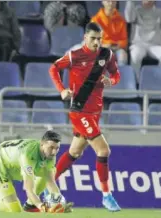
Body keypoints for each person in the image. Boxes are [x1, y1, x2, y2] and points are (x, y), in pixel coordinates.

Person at [48, 22, 121, 212]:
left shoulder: (107, 55)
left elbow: (116, 74)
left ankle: (47, 186)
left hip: (95, 112)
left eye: (99, 38)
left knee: (75, 152)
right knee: (103, 151)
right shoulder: (75, 56)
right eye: (93, 38)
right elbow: (53, 68)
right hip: (79, 111)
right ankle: (106, 196)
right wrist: (62, 90)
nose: (97, 42)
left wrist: (110, 81)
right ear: (85, 38)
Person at [0, 131, 73, 213]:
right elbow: (28, 189)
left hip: (13, 165)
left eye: (57, 148)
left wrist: (60, 202)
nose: (54, 151)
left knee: (48, 173)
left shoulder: (49, 155)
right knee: (14, 210)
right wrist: (41, 205)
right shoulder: (28, 155)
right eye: (51, 147)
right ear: (42, 143)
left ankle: (30, 205)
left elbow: (50, 182)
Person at [125, 0, 161, 80]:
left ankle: (158, 82)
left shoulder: (159, 12)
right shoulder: (136, 10)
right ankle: (135, 82)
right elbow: (128, 18)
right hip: (138, 44)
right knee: (135, 56)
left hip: (155, 45)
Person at [91, 1, 128, 66]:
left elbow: (124, 40)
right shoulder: (95, 20)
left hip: (117, 48)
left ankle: (120, 75)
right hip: (102, 48)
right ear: (103, 2)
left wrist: (117, 46)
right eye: (108, 1)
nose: (111, 3)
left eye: (113, 1)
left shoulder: (121, 20)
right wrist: (104, 45)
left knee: (123, 56)